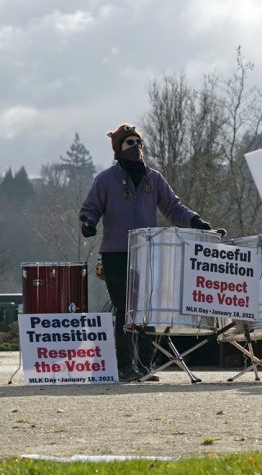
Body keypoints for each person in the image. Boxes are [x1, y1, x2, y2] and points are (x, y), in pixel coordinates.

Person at [79, 124, 221, 382]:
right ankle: (124, 367)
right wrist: (88, 222)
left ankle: (144, 365)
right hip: (116, 253)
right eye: (129, 143)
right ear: (118, 149)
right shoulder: (106, 180)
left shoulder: (153, 179)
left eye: (138, 142)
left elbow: (174, 208)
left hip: (148, 252)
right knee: (125, 309)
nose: (135, 147)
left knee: (149, 309)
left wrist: (197, 222)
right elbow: (91, 207)